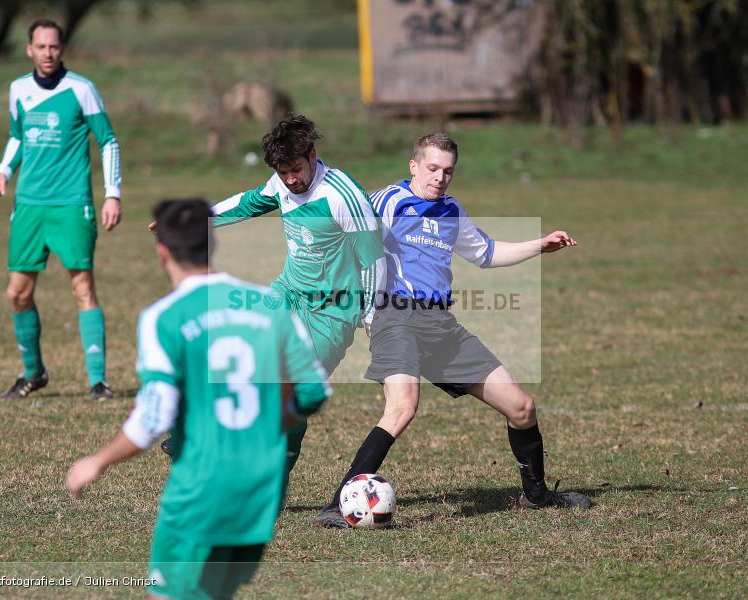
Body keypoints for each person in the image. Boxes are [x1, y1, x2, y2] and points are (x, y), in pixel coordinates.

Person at [314, 133, 591, 527]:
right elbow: (345, 240)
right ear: (413, 166)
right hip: (395, 318)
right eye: (432, 168)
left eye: (448, 171)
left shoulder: (451, 211)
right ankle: (336, 505)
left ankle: (538, 496)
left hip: (441, 325)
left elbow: (486, 253)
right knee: (402, 407)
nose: (440, 177)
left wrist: (539, 245)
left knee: (522, 407)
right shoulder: (387, 202)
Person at [67, 199, 330, 599]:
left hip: (202, 486)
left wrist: (96, 461)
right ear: (214, 244)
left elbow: (152, 418)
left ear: (163, 252)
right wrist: (275, 421)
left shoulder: (164, 316)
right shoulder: (270, 303)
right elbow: (314, 391)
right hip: (263, 488)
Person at [150, 115, 385, 485]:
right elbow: (249, 203)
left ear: (313, 154)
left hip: (332, 313)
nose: (290, 179)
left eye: (295, 169)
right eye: (283, 171)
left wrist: (373, 317)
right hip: (287, 294)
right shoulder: (281, 183)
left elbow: (373, 259)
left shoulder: (342, 194)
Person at [0, 19, 122, 401]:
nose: (48, 53)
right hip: (29, 206)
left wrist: (112, 194)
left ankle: (98, 381)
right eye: (41, 46)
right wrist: (3, 173)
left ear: (61, 49)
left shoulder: (82, 89)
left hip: (71, 204)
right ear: (29, 49)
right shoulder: (18, 89)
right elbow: (18, 137)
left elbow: (108, 141)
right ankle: (34, 373)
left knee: (82, 287)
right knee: (17, 293)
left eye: (54, 46)